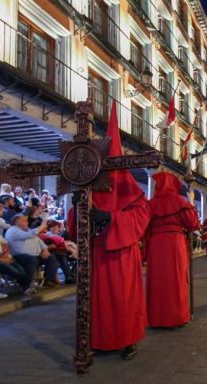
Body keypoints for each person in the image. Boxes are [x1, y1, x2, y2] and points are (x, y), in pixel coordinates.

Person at [86, 102, 150, 361]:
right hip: (98, 250)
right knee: (98, 299)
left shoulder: (131, 187)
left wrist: (111, 217)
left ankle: (127, 339)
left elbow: (140, 216)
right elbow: (77, 216)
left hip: (122, 252)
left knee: (123, 298)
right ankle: (100, 339)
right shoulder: (92, 184)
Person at [144, 172, 200, 328]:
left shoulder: (150, 204)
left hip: (156, 244)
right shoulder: (179, 201)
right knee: (176, 278)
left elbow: (144, 228)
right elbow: (192, 223)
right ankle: (176, 316)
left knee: (157, 279)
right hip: (175, 243)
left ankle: (156, 318)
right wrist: (191, 201)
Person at [6, 214, 59, 288]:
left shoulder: (26, 230)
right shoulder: (13, 230)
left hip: (34, 255)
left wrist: (45, 249)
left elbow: (39, 241)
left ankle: (49, 280)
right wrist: (41, 226)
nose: (27, 222)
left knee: (51, 257)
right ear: (17, 222)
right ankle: (26, 284)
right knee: (32, 259)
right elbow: (29, 235)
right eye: (24, 221)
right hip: (19, 256)